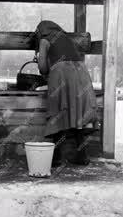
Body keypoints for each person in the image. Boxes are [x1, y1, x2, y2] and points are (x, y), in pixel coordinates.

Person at [34, 20, 98, 166]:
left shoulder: (44, 40)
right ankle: (82, 156)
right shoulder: (65, 37)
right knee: (78, 114)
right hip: (81, 73)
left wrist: (41, 65)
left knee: (59, 112)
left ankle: (55, 158)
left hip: (62, 73)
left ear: (40, 31)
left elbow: (43, 67)